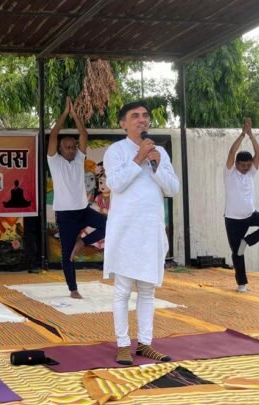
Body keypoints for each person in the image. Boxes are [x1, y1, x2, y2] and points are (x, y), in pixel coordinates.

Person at [103, 101, 180, 365]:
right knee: (122, 291)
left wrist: (156, 164)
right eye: (134, 116)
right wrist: (139, 158)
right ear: (123, 124)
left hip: (151, 230)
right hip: (126, 231)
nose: (141, 119)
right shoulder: (116, 151)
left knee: (147, 291)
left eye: (145, 115)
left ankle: (145, 343)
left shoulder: (160, 153)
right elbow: (115, 184)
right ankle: (123, 345)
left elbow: (172, 189)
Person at [47, 97, 107, 298]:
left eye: (73, 147)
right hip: (65, 215)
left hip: (83, 210)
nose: (72, 150)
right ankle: (73, 289)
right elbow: (53, 135)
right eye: (68, 147)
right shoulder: (54, 161)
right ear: (60, 149)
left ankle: (82, 243)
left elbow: (84, 134)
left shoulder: (79, 159)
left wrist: (75, 114)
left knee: (109, 225)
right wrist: (65, 114)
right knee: (67, 253)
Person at [223, 118, 259, 293]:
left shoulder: (251, 173)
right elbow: (232, 152)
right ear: (236, 165)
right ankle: (242, 284)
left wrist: (251, 134)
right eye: (243, 165)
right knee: (237, 253)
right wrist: (242, 134)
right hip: (233, 220)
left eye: (248, 165)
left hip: (250, 215)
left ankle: (247, 241)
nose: (246, 168)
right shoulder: (229, 173)